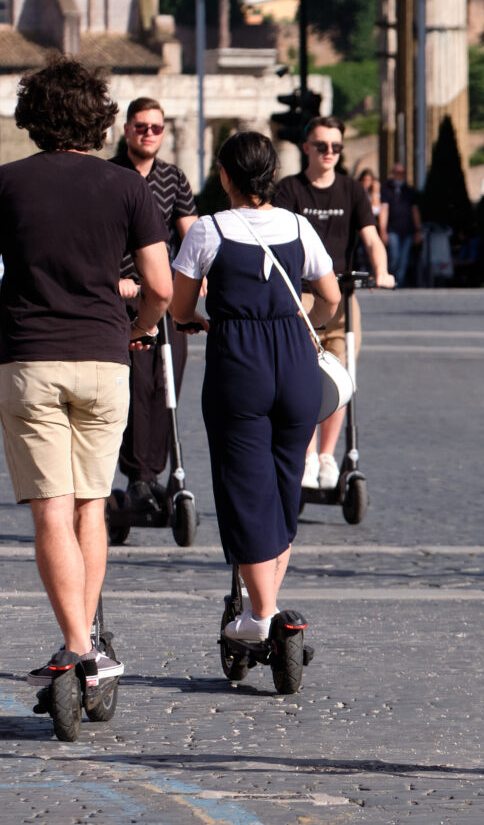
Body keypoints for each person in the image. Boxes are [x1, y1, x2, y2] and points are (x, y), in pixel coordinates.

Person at [0, 58, 173, 687]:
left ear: (32, 116)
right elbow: (160, 287)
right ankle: (86, 650)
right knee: (91, 505)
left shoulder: (3, 183)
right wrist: (134, 331)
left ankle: (78, 645)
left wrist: (5, 332)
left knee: (51, 510)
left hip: (30, 358)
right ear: (101, 119)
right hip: (105, 359)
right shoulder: (129, 189)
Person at [169, 132, 340, 640]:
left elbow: (179, 306)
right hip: (295, 361)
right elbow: (329, 297)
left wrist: (199, 320)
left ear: (225, 177)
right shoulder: (298, 226)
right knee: (286, 483)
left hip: (238, 364)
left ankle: (263, 618)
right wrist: (296, 318)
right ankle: (267, 607)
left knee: (244, 487)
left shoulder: (208, 230)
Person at [273, 116, 394, 490]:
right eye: (322, 145)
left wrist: (382, 270)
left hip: (342, 295)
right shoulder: (290, 190)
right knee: (305, 379)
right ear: (306, 147)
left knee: (341, 378)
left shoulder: (352, 190)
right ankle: (306, 456)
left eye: (336, 147)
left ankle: (328, 456)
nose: (329, 153)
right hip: (302, 297)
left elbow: (371, 237)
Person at [109, 97, 199, 513]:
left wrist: (198, 283)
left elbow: (192, 236)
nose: (149, 133)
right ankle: (136, 477)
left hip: (166, 298)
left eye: (156, 128)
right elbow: (98, 240)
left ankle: (157, 474)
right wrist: (119, 282)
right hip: (121, 298)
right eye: (141, 126)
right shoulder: (109, 176)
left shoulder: (173, 178)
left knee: (167, 384)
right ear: (126, 130)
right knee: (134, 387)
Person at [380, 161, 421, 286]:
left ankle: (399, 283)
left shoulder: (408, 190)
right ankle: (391, 278)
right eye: (397, 172)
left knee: (404, 259)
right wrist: (382, 230)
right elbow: (384, 210)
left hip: (408, 230)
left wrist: (418, 229)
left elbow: (415, 211)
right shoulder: (387, 189)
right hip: (393, 229)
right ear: (392, 173)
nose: (400, 175)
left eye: (402, 172)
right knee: (394, 256)